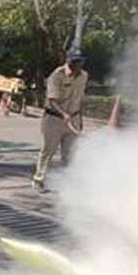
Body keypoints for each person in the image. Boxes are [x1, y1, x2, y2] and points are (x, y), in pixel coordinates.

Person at [32, 48, 88, 191]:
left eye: (80, 61)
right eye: (75, 61)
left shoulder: (84, 76)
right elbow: (52, 100)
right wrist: (63, 114)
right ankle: (38, 180)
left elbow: (80, 99)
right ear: (68, 60)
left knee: (70, 153)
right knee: (48, 150)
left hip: (73, 118)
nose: (78, 64)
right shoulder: (57, 75)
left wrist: (79, 119)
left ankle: (67, 183)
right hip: (54, 119)